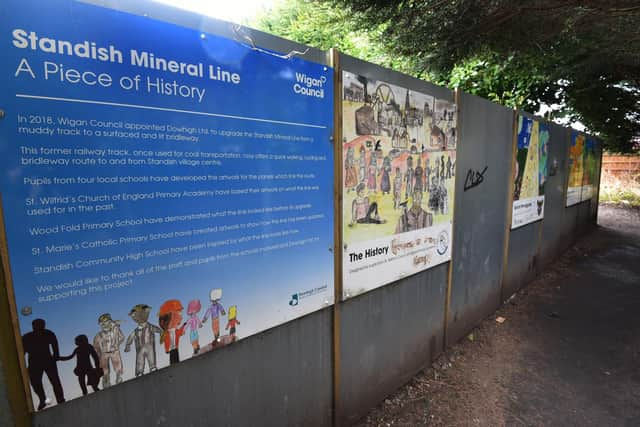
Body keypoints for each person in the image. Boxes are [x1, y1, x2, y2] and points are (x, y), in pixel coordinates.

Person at [22, 318, 65, 410]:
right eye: (38, 325)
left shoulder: (48, 333)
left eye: (42, 325)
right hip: (35, 362)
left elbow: (54, 344)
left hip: (48, 360)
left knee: (55, 381)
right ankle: (42, 399)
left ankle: (60, 399)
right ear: (33, 326)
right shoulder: (27, 337)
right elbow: (22, 352)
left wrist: (56, 355)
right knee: (36, 383)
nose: (40, 327)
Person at [124, 304, 162, 376]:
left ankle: (152, 366)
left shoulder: (149, 326)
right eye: (133, 315)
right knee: (139, 359)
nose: (135, 317)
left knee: (151, 356)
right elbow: (131, 337)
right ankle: (139, 371)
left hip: (149, 345)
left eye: (135, 314)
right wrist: (128, 345)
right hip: (140, 348)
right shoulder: (136, 331)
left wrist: (161, 332)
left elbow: (156, 329)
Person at [93, 313, 125, 388]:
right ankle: (106, 382)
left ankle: (119, 377)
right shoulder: (99, 335)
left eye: (105, 322)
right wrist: (98, 353)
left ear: (110, 322)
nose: (103, 324)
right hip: (104, 353)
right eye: (101, 323)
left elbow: (122, 337)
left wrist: (117, 344)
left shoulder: (115, 330)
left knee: (117, 366)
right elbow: (95, 345)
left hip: (114, 351)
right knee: (104, 369)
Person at [158, 300, 186, 365]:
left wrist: (183, 326)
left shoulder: (175, 331)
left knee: (176, 357)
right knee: (173, 358)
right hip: (171, 350)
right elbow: (165, 341)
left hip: (175, 348)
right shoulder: (167, 333)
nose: (181, 316)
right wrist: (167, 349)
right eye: (179, 312)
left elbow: (180, 333)